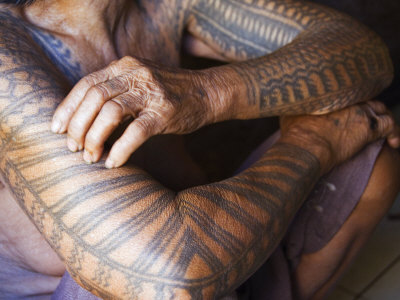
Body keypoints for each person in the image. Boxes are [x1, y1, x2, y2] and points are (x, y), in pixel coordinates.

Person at [0, 0, 399, 299]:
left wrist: (209, 93)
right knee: (134, 284)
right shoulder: (8, 59)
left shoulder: (160, 5)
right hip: (118, 285)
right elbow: (169, 278)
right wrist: (314, 143)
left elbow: (365, 57)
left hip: (211, 250)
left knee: (362, 143)